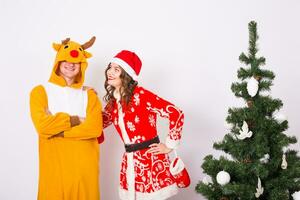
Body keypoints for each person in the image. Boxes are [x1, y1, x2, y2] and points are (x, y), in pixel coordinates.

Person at [102, 50, 184, 200]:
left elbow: (176, 113)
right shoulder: (113, 103)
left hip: (150, 160)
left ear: (126, 74)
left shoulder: (142, 95)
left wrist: (169, 146)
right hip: (129, 162)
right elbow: (97, 123)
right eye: (110, 67)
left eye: (116, 69)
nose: (110, 72)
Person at [30, 37, 103, 200]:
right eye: (66, 60)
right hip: (55, 172)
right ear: (58, 61)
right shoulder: (40, 92)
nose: (71, 64)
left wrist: (59, 132)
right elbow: (43, 127)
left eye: (76, 62)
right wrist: (76, 120)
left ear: (82, 65)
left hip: (85, 173)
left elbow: (95, 128)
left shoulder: (89, 95)